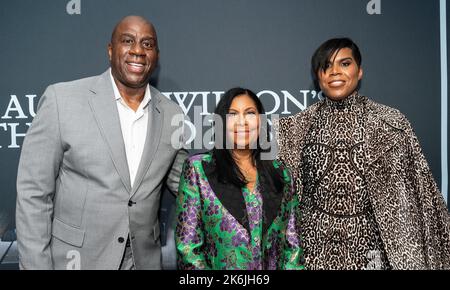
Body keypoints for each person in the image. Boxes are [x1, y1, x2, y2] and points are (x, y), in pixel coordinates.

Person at [16, 15, 188, 270]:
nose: (138, 51)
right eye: (128, 41)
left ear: (157, 55)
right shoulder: (62, 100)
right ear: (110, 50)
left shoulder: (172, 115)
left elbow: (187, 182)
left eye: (147, 44)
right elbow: (33, 194)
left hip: (143, 261)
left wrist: (248, 176)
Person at [276, 37, 450, 270]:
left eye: (344, 64)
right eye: (326, 66)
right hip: (313, 253)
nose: (335, 72)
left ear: (360, 72)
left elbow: (423, 196)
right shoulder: (294, 128)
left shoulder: (390, 123)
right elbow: (273, 198)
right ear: (318, 77)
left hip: (374, 253)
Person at [175, 87, 304, 270]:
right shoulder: (198, 170)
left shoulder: (281, 174)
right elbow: (188, 250)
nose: (242, 122)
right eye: (232, 114)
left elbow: (293, 248)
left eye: (250, 113)